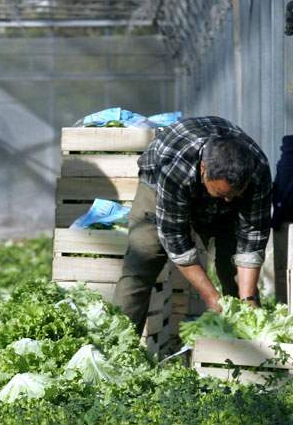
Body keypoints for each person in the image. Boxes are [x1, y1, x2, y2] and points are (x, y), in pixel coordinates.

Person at [114, 116, 272, 334]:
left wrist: (248, 299)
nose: (227, 201)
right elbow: (176, 240)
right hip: (160, 181)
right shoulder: (175, 167)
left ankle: (246, 349)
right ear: (203, 170)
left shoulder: (258, 170)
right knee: (145, 256)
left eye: (235, 194)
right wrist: (211, 296)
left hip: (219, 185)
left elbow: (252, 237)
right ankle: (117, 342)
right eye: (221, 194)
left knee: (234, 270)